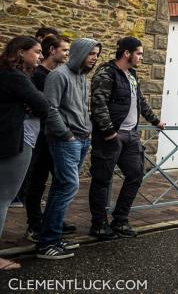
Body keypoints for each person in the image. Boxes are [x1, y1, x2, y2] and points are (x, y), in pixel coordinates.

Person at [88, 37, 164, 240]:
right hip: (110, 136)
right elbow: (98, 103)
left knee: (136, 174)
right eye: (139, 53)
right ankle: (99, 225)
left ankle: (120, 220)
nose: (141, 57)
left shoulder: (132, 74)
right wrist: (109, 132)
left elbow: (140, 101)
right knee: (102, 179)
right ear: (127, 53)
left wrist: (155, 121)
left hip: (131, 136)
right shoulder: (106, 72)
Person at [37, 37, 101, 260]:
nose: (95, 58)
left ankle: (52, 237)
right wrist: (67, 136)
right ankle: (46, 244)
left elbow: (82, 108)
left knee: (60, 187)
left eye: (97, 54)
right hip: (66, 140)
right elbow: (50, 109)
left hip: (82, 139)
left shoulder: (82, 77)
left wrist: (88, 130)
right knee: (68, 186)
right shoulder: (58, 75)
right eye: (91, 53)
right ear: (80, 52)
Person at [0, 36, 49, 271]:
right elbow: (43, 106)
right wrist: (29, 104)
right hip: (11, 144)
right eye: (37, 51)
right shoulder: (16, 77)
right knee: (2, 200)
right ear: (21, 52)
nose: (40, 56)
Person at [24, 35, 75, 243]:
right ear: (52, 50)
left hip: (55, 136)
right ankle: (34, 225)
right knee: (37, 181)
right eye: (64, 50)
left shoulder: (60, 74)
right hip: (40, 136)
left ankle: (53, 218)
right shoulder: (38, 75)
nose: (67, 54)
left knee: (61, 180)